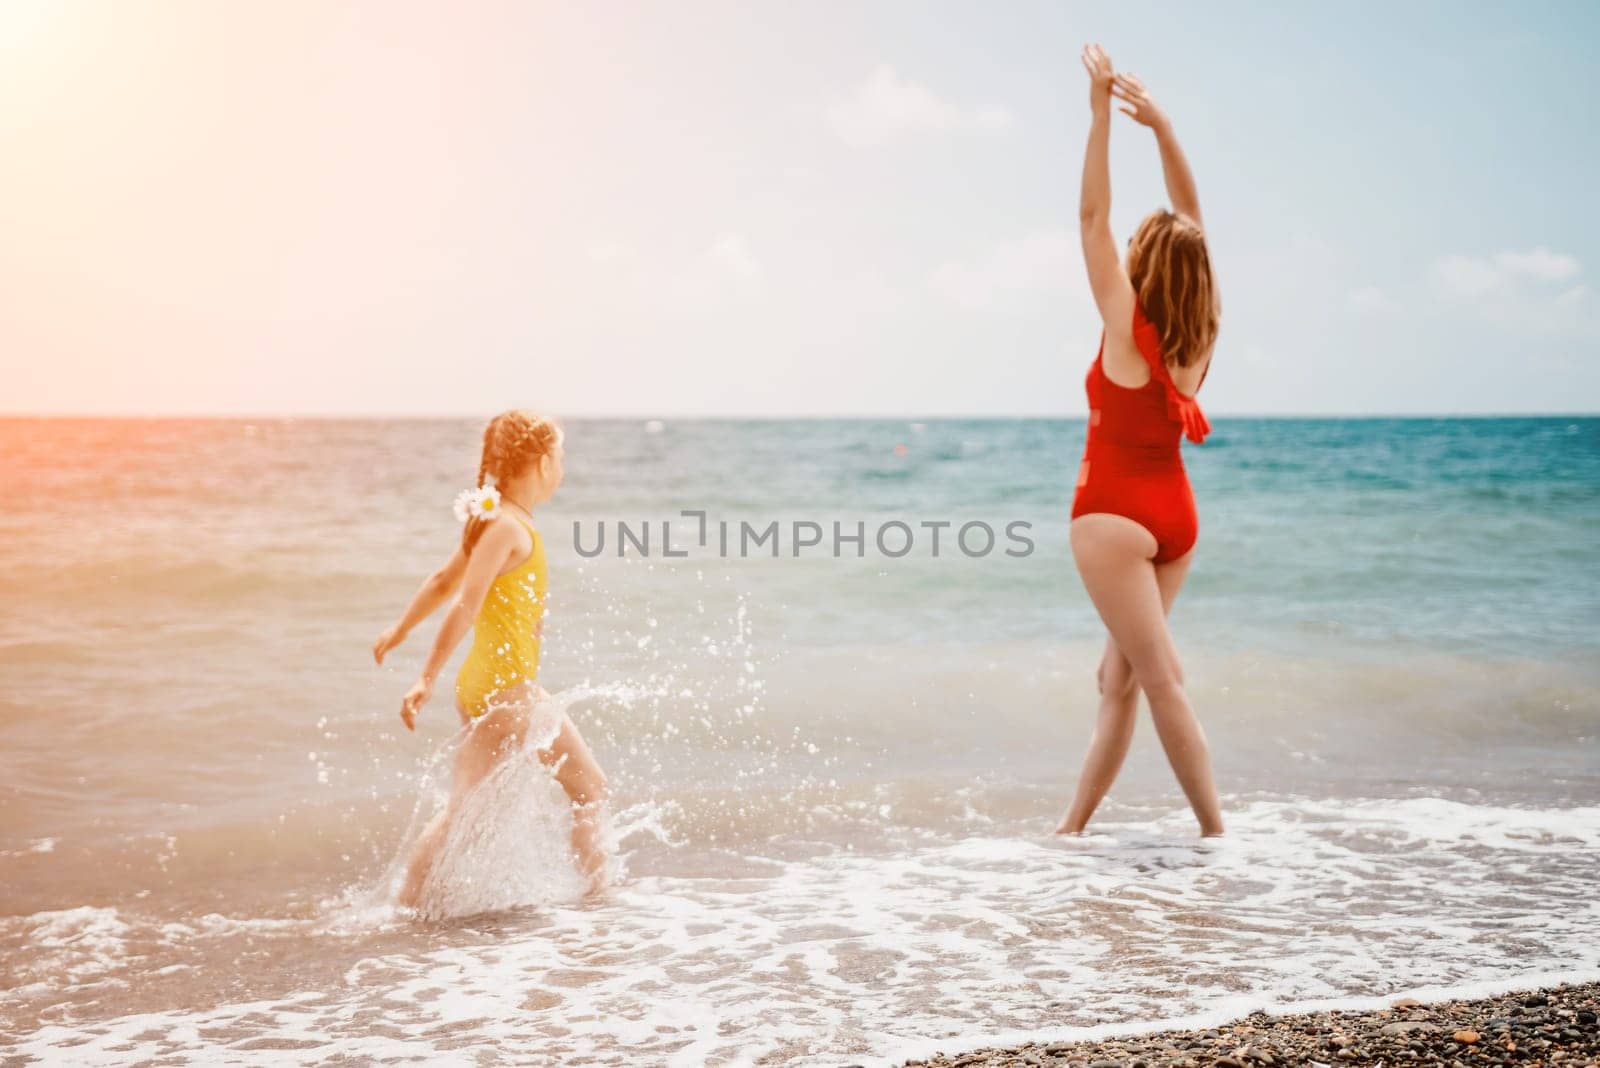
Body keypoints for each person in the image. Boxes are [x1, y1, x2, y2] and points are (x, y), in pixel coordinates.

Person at [1057, 44, 1224, 837]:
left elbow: (1092, 219)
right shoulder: (1203, 332)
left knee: (1159, 680)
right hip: (1177, 519)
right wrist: (1163, 129)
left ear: (1144, 263)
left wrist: (1100, 116)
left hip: (1114, 517)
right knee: (1117, 677)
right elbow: (1192, 223)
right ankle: (1072, 829)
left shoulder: (1127, 327)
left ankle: (1217, 835)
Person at [373, 410, 610, 903]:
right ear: (542, 464)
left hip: (487, 686)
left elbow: (443, 581)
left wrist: (400, 628)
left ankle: (408, 904)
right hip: (508, 689)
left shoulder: (500, 521)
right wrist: (424, 677)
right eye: (560, 459)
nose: (563, 470)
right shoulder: (507, 527)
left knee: (465, 808)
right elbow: (464, 603)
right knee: (591, 788)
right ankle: (600, 900)